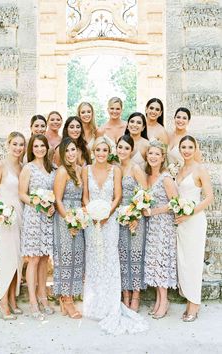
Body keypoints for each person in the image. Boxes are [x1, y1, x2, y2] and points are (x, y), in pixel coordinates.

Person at [82, 136, 148, 335]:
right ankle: (94, 303)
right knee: (93, 259)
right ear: (93, 151)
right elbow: (85, 194)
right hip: (91, 222)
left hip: (110, 221)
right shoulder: (86, 170)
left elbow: (117, 196)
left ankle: (111, 303)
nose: (101, 153)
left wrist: (106, 214)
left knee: (110, 259)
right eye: (98, 150)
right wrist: (92, 212)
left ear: (109, 152)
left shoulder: (116, 169)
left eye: (104, 150)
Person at [175, 135, 213, 322]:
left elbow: (209, 197)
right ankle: (189, 298)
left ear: (195, 148)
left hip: (195, 220)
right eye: (184, 146)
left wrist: (190, 213)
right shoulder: (179, 168)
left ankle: (194, 305)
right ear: (180, 149)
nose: (187, 150)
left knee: (194, 262)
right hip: (181, 222)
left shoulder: (200, 169)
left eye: (190, 146)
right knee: (183, 261)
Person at [19, 134, 55, 319]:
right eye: (36, 146)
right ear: (31, 149)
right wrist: (39, 203)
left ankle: (43, 296)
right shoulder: (28, 168)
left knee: (43, 259)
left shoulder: (52, 168)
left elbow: (56, 193)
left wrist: (51, 206)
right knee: (33, 259)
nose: (40, 149)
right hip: (33, 216)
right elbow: (22, 194)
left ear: (47, 147)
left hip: (48, 218)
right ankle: (33, 301)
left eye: (42, 146)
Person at [0, 132, 26, 320]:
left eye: (21, 144)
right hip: (5, 217)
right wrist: (0, 212)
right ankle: (2, 301)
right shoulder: (0, 166)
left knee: (18, 259)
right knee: (7, 259)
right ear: (8, 144)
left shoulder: (22, 166)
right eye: (15, 144)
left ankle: (12, 299)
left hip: (20, 215)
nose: (18, 148)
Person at [143, 140, 178, 319]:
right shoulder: (147, 176)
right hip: (151, 226)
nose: (153, 157)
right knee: (154, 263)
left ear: (163, 157)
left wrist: (153, 211)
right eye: (151, 153)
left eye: (157, 154)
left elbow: (175, 203)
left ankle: (164, 301)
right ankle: (158, 299)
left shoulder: (166, 178)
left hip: (163, 225)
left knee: (161, 263)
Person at [53, 137, 84, 319]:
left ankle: (70, 295)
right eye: (67, 151)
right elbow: (58, 200)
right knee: (66, 258)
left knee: (76, 257)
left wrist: (79, 219)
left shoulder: (80, 170)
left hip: (79, 218)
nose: (71, 154)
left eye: (73, 149)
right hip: (65, 218)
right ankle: (67, 299)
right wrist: (69, 221)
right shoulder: (63, 172)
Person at [116, 135, 147, 312]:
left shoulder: (135, 168)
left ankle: (135, 295)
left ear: (131, 150)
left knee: (135, 255)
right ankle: (124, 294)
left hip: (135, 217)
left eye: (126, 148)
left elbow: (144, 194)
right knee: (122, 256)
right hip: (119, 218)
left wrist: (135, 216)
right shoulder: (115, 168)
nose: (122, 151)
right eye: (120, 147)